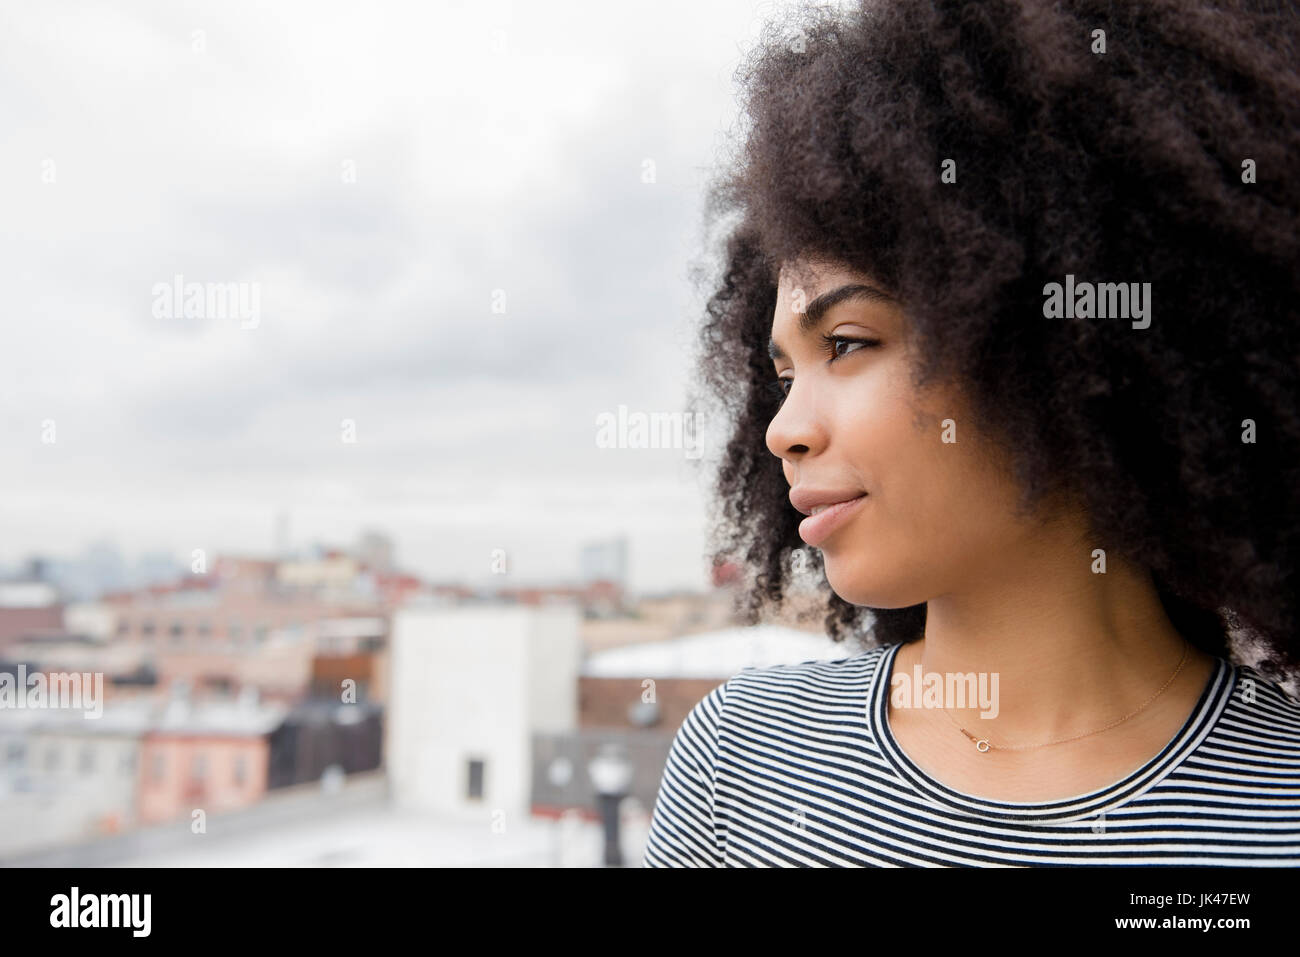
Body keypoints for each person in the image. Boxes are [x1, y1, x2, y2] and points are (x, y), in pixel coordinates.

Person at [644, 0, 1300, 866]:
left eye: (847, 343)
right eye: (784, 375)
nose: (784, 431)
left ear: (1064, 349)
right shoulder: (742, 764)